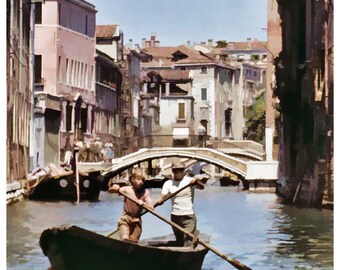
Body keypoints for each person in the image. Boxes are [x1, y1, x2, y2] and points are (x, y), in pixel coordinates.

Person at [153, 160, 204, 247]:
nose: (177, 172)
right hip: (175, 216)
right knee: (180, 242)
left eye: (179, 170)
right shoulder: (168, 183)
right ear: (172, 171)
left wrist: (196, 181)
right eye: (175, 170)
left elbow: (201, 187)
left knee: (187, 242)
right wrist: (160, 200)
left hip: (188, 216)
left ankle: (188, 253)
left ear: (183, 170)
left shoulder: (190, 181)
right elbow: (163, 196)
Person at [108, 173, 153, 243]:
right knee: (125, 239)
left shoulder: (145, 192)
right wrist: (115, 187)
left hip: (137, 221)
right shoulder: (126, 190)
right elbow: (110, 191)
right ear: (132, 180)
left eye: (142, 180)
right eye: (138, 179)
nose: (140, 182)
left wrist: (143, 203)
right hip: (125, 219)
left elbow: (151, 207)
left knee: (133, 242)